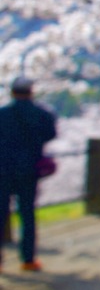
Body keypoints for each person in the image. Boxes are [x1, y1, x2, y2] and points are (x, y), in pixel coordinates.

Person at [0, 77, 57, 273]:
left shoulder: (3, 114)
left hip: (3, 169)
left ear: (12, 92)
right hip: (29, 169)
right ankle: (28, 259)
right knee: (27, 213)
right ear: (31, 92)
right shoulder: (42, 114)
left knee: (1, 213)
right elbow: (51, 134)